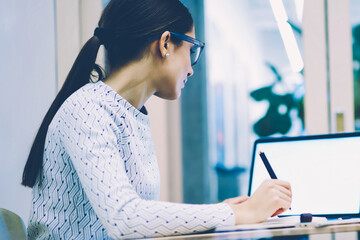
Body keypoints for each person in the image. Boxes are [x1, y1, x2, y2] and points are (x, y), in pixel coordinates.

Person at [22, 0, 292, 239]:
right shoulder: (87, 109)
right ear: (165, 44)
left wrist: (229, 211)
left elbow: (140, 218)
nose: (191, 69)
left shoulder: (132, 115)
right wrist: (230, 214)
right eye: (192, 50)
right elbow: (124, 218)